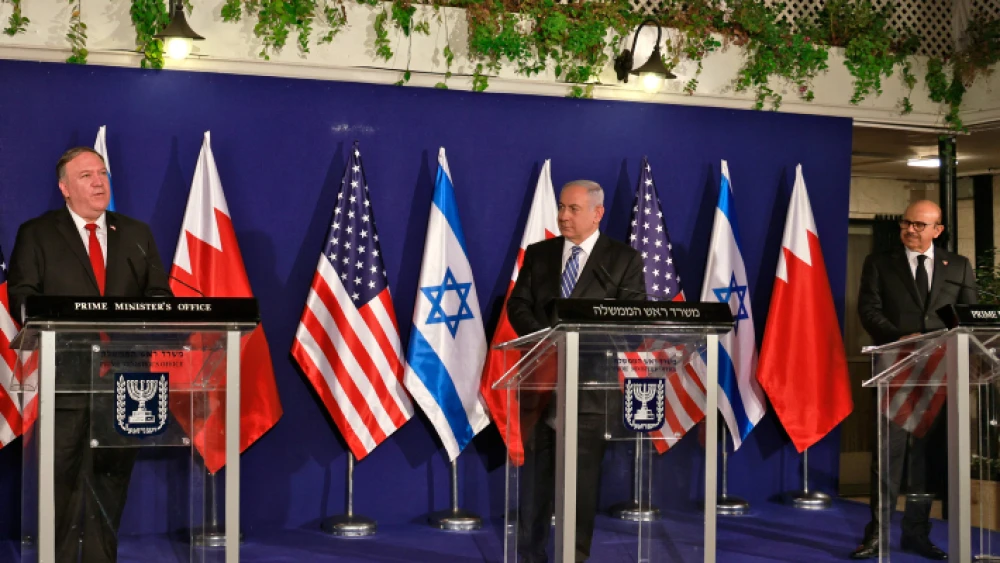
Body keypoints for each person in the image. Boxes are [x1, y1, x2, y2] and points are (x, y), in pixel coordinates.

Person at [8, 147, 172, 563]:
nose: (99, 182)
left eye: (102, 173)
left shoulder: (136, 233)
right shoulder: (38, 233)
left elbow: (159, 296)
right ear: (64, 188)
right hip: (67, 375)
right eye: (86, 176)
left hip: (128, 379)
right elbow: (22, 297)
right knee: (61, 481)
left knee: (112, 479)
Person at [507, 179, 644, 562]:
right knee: (536, 485)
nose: (564, 216)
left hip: (590, 393)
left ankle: (573, 557)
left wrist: (578, 340)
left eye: (573, 209)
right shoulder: (540, 253)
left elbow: (632, 329)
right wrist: (547, 338)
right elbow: (518, 305)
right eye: (562, 208)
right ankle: (530, 557)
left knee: (581, 488)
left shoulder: (622, 260)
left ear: (598, 213)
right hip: (541, 385)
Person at [851, 199, 977, 560]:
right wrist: (898, 337)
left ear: (937, 230)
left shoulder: (959, 266)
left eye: (919, 225)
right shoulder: (879, 263)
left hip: (938, 376)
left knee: (925, 461)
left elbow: (966, 318)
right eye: (906, 223)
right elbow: (869, 309)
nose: (909, 229)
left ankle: (917, 533)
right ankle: (877, 534)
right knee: (887, 458)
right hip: (895, 369)